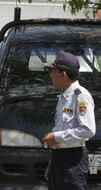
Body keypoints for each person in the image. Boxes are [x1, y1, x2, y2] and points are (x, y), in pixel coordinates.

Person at [43, 50, 96, 190]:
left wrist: (56, 137)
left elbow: (88, 130)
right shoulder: (64, 96)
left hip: (73, 160)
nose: (50, 75)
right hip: (59, 157)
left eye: (52, 71)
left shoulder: (81, 96)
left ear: (63, 74)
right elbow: (61, 127)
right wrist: (52, 162)